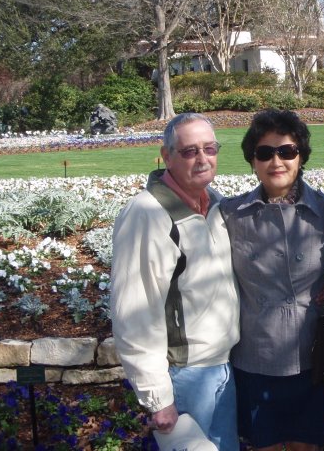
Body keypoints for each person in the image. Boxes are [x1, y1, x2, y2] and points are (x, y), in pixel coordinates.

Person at [110, 113, 240, 451]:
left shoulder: (216, 203)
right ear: (166, 156)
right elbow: (135, 311)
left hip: (222, 367)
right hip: (185, 375)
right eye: (189, 151)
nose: (202, 159)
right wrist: (158, 397)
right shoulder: (147, 214)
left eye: (210, 149)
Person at [220, 109, 324, 451]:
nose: (277, 161)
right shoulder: (230, 215)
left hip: (310, 356)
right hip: (256, 356)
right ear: (252, 160)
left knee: (307, 445)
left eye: (287, 151)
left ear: (301, 156)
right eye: (265, 153)